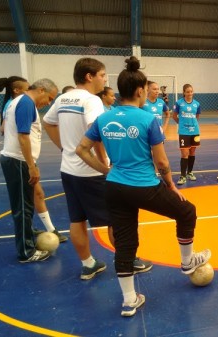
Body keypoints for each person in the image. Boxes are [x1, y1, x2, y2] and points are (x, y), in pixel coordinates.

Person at [76, 56, 210, 317]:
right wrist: (171, 184)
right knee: (186, 211)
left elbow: (81, 149)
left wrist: (105, 170)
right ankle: (186, 261)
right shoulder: (148, 120)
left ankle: (129, 300)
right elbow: (160, 160)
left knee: (125, 242)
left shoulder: (105, 118)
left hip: (115, 187)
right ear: (139, 91)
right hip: (144, 185)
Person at [44, 57, 152, 280]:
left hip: (68, 170)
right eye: (102, 75)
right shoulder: (91, 100)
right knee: (117, 219)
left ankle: (88, 265)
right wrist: (104, 163)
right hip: (91, 173)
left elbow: (48, 122)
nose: (105, 79)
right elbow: (99, 132)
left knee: (77, 220)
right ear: (89, 76)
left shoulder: (63, 98)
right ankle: (128, 261)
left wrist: (64, 148)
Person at [0, 77, 68, 243]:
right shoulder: (27, 103)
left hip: (17, 160)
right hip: (18, 161)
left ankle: (29, 236)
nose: (49, 103)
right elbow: (23, 137)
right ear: (41, 90)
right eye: (50, 98)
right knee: (23, 208)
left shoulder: (19, 101)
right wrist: (31, 166)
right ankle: (26, 251)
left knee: (28, 203)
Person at [173, 84, 201, 185]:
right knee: (185, 154)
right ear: (184, 92)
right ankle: (182, 176)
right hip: (184, 132)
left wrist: (193, 125)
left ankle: (190, 172)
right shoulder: (179, 103)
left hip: (195, 131)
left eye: (191, 91)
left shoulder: (197, 104)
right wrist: (181, 125)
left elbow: (197, 116)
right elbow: (174, 116)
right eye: (187, 92)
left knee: (192, 152)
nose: (189, 93)